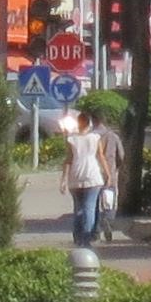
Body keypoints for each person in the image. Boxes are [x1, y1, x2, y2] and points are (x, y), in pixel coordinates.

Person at [59, 106, 114, 248]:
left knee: (78, 208)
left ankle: (77, 237)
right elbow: (101, 157)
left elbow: (68, 160)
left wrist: (63, 180)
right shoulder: (95, 138)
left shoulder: (71, 139)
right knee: (89, 208)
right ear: (89, 124)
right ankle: (86, 237)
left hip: (75, 176)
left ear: (78, 123)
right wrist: (108, 174)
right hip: (92, 176)